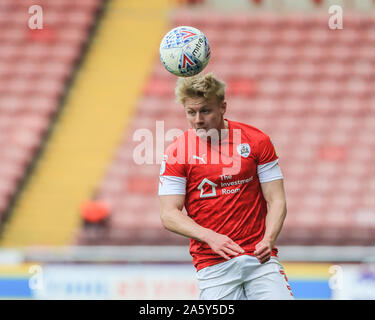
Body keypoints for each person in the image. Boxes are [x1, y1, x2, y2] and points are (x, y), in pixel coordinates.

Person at [158, 72, 293, 300]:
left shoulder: (257, 141)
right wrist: (210, 237)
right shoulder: (176, 152)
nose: (198, 120)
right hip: (213, 265)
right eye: (191, 112)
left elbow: (276, 199)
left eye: (205, 111)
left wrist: (268, 239)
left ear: (223, 107)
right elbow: (168, 214)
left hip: (259, 261)